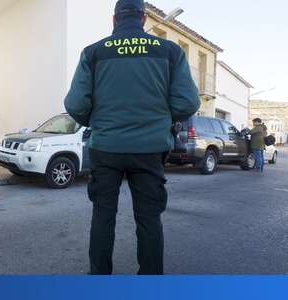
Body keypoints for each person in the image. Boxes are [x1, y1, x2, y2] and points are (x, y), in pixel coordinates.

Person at [64, 0, 200, 275]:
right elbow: (187, 102)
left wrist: (99, 122)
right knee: (149, 217)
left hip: (106, 147)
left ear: (114, 20)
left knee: (103, 215)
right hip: (149, 150)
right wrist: (160, 120)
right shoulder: (170, 51)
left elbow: (76, 104)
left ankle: (99, 279)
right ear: (144, 18)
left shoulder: (93, 52)